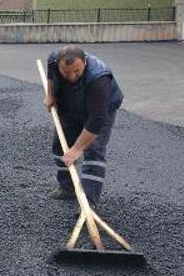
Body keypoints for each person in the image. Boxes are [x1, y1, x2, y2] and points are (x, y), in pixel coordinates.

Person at [43, 45, 124, 208]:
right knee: (61, 143)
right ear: (59, 64)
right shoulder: (54, 59)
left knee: (93, 149)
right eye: (66, 72)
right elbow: (51, 74)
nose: (72, 76)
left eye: (77, 71)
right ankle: (67, 188)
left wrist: (77, 149)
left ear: (85, 63)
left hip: (101, 109)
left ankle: (88, 204)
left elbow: (96, 121)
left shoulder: (99, 78)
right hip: (72, 100)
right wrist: (50, 94)